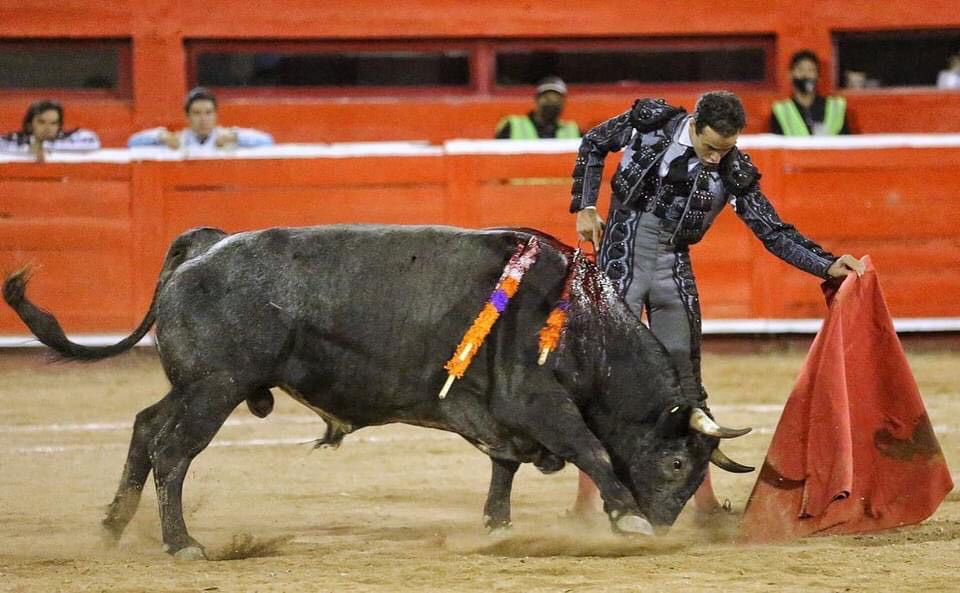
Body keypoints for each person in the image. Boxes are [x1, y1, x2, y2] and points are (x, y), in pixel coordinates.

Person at [570, 90, 864, 517]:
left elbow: (773, 231)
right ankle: (585, 504)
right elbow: (594, 143)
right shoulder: (652, 121)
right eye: (709, 148)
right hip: (621, 256)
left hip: (672, 269)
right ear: (694, 124)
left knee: (686, 386)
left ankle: (704, 504)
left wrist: (827, 265)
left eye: (725, 150)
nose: (714, 159)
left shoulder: (733, 169)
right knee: (606, 376)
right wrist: (585, 205)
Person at [128, 87, 273, 152]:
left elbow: (268, 141)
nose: (203, 119)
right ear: (187, 117)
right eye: (197, 113)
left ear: (216, 115)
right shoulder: (177, 140)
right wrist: (161, 136)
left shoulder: (226, 137)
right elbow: (132, 143)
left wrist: (236, 136)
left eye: (208, 113)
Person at [770, 50, 850, 136]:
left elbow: (846, 144)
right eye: (800, 70)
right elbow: (776, 145)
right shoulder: (781, 111)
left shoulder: (836, 107)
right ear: (790, 75)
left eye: (811, 70)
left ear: (818, 77)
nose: (805, 75)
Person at [0, 100, 101, 161]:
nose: (48, 128)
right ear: (29, 125)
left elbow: (93, 140)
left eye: (53, 123)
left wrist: (46, 146)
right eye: (42, 122)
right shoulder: (16, 139)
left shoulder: (67, 138)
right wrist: (29, 148)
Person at [495, 76, 580, 140]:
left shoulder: (573, 130)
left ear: (563, 103)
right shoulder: (512, 125)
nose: (551, 102)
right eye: (547, 98)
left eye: (556, 99)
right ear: (536, 100)